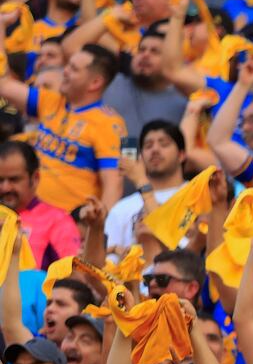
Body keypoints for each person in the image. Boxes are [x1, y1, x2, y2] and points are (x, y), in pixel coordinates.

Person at [0, 24, 124, 212]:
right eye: (68, 66)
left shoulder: (110, 123)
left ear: (95, 82)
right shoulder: (51, 101)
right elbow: (4, 85)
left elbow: (114, 185)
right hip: (28, 216)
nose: (64, 72)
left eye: (73, 69)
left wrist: (100, 233)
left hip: (68, 228)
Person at [103, 119, 189, 254]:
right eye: (148, 146)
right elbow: (106, 261)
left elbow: (184, 251)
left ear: (181, 155)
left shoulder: (196, 195)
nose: (155, 149)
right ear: (141, 156)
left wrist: (141, 181)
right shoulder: (121, 208)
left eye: (164, 144)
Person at [0, 140, 79, 268]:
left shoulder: (57, 221)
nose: (5, 188)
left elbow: (73, 276)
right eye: (0, 180)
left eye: (14, 179)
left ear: (35, 178)